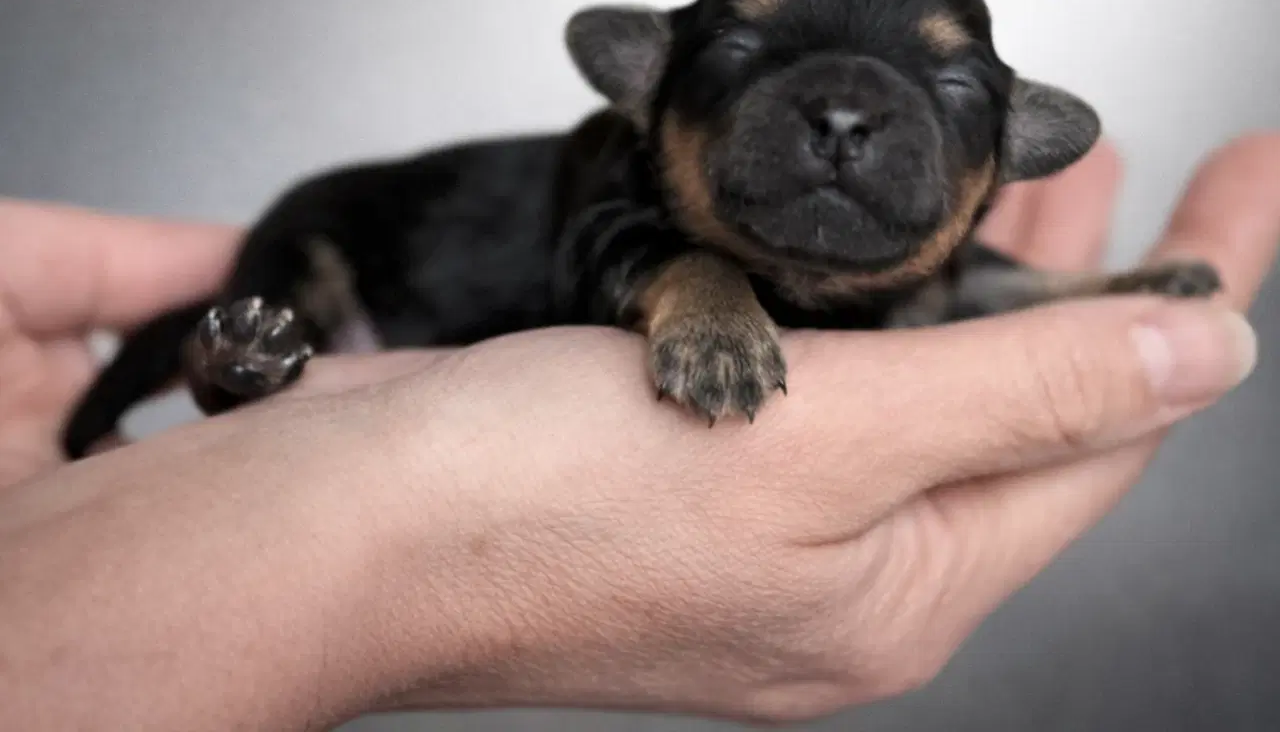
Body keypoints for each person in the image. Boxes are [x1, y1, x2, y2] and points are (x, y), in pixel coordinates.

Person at [0, 133, 1276, 732]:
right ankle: (239, 359)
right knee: (279, 299)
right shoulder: (623, 204)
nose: (838, 143)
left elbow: (953, 284)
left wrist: (1075, 300)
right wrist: (368, 534)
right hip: (350, 249)